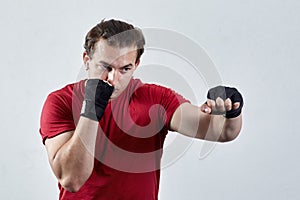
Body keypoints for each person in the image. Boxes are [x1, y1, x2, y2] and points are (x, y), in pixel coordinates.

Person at [39, 19, 243, 200]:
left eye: (124, 69)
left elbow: (223, 131)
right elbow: (71, 180)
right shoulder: (61, 102)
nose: (112, 79)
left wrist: (231, 109)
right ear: (86, 60)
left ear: (136, 64)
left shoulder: (156, 99)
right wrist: (92, 106)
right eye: (105, 67)